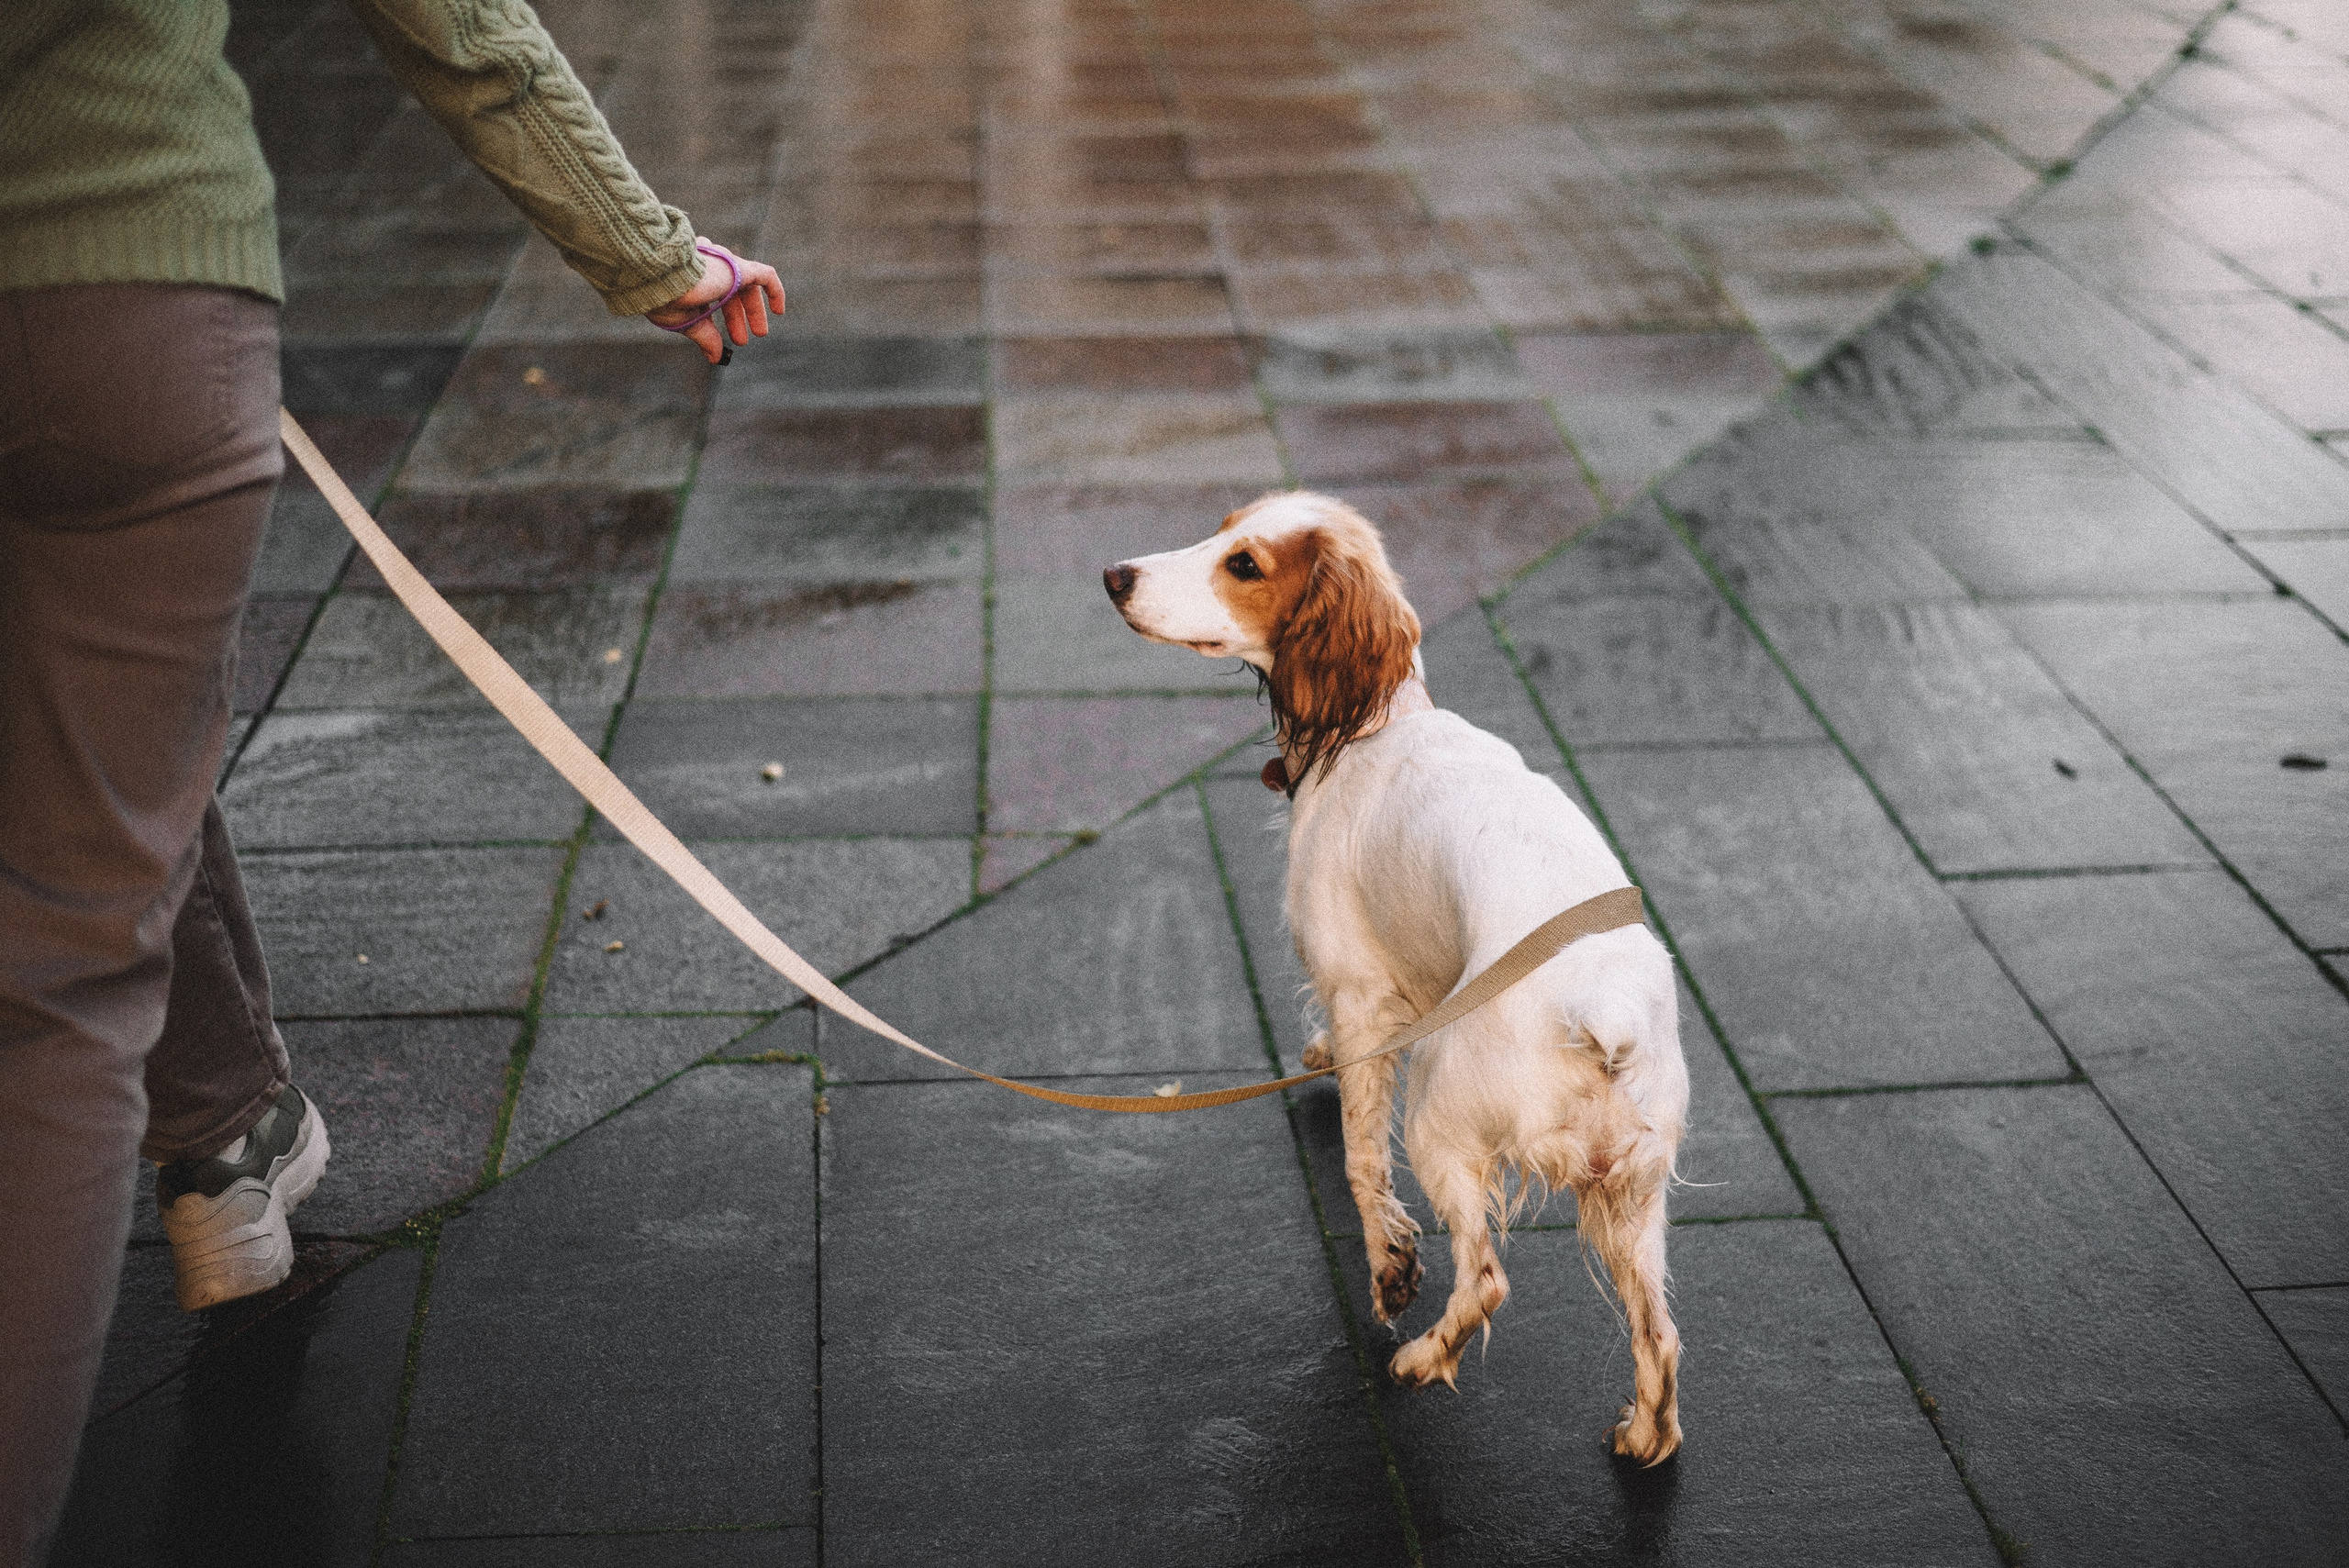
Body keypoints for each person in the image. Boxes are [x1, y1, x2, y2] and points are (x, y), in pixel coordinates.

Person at [0, 1, 785, 1558]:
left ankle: (228, 1138)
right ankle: (223, 1148)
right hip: (133, 281)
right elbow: (453, 17)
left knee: (91, 790)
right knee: (71, 943)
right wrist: (645, 248)